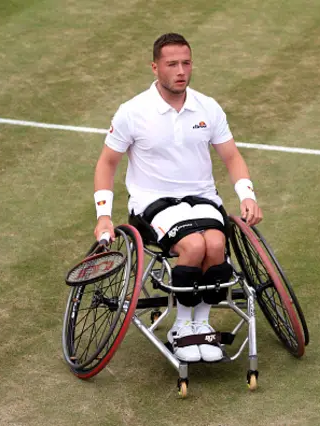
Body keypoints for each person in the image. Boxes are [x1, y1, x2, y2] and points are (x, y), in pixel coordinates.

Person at [93, 33, 262, 363]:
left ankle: (202, 324)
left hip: (201, 198)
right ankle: (182, 327)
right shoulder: (132, 112)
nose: (181, 70)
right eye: (172, 64)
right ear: (155, 67)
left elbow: (231, 157)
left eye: (186, 63)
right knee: (195, 246)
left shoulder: (208, 107)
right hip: (152, 203)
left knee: (215, 245)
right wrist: (103, 214)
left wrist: (247, 194)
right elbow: (107, 163)